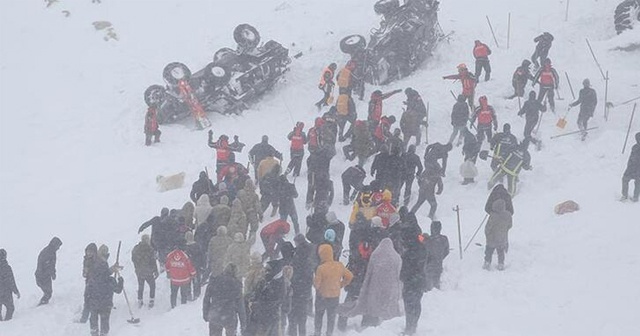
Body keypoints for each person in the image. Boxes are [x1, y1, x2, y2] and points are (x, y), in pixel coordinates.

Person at [344, 238, 402, 328]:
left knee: (371, 306)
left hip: (370, 286)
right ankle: (383, 327)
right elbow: (397, 275)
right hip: (387, 288)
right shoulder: (395, 257)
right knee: (385, 306)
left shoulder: (375, 255)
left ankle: (366, 324)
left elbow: (367, 273)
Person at [314, 245, 353, 336]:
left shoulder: (321, 268)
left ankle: (317, 333)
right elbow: (350, 276)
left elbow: (317, 285)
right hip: (334, 297)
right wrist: (340, 285)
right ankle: (329, 333)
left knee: (319, 316)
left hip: (322, 297)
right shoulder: (339, 265)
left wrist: (314, 281)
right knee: (331, 318)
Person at [85, 250, 123, 336]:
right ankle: (104, 333)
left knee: (93, 320)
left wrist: (88, 302)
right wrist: (121, 281)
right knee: (104, 321)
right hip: (106, 305)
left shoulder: (93, 280)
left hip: (94, 303)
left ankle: (94, 332)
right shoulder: (110, 280)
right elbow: (118, 290)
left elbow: (88, 292)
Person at [203, 263, 247, 336]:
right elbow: (240, 306)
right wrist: (243, 323)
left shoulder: (214, 281)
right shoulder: (236, 284)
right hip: (230, 317)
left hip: (215, 314)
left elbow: (206, 299)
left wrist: (205, 313)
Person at [399, 230, 427, 335]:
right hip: (419, 280)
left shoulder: (408, 253)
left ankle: (409, 326)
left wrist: (402, 277)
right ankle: (413, 325)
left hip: (410, 282)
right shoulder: (422, 249)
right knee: (416, 303)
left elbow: (405, 268)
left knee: (409, 305)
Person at [289, 234, 314, 336]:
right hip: (305, 291)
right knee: (302, 318)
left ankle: (292, 333)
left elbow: (294, 273)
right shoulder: (309, 252)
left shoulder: (298, 256)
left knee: (293, 318)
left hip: (296, 291)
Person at [483, 199, 513, 271]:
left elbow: (488, 227)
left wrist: (487, 233)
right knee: (500, 252)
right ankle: (501, 264)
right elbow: (510, 225)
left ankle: (487, 262)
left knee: (489, 251)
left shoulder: (493, 216)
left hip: (492, 238)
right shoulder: (508, 215)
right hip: (502, 238)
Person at [131, 234, 158, 308]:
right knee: (152, 285)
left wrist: (137, 267)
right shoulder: (150, 249)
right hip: (148, 271)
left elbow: (133, 259)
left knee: (141, 286)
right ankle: (151, 300)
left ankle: (140, 300)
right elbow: (153, 261)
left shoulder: (136, 248)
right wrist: (155, 271)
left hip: (139, 271)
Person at [35, 237, 62, 305]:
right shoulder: (46, 253)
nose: (58, 248)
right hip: (42, 276)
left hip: (47, 275)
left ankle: (43, 304)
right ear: (54, 244)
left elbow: (52, 265)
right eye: (58, 246)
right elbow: (40, 266)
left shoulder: (52, 252)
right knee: (48, 292)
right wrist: (40, 277)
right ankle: (42, 306)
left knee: (48, 292)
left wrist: (53, 273)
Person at [425, 221, 449, 290]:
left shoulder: (428, 239)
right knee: (436, 283)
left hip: (428, 265)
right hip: (438, 264)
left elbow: (422, 248)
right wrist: (440, 257)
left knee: (428, 286)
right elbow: (446, 252)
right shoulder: (444, 239)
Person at [0, 249, 20, 321]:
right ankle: (8, 323)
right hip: (6, 293)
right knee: (10, 308)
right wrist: (16, 291)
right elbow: (11, 281)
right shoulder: (7, 268)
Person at [185, 232, 206, 300]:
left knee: (187, 281)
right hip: (196, 266)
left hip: (187, 268)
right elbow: (202, 256)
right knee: (196, 280)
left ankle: (188, 294)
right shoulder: (197, 246)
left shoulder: (184, 247)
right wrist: (203, 265)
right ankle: (196, 294)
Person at [622, 132, 640, 202]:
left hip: (636, 168)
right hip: (631, 167)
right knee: (625, 179)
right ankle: (626, 195)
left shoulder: (635, 147)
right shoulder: (634, 147)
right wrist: (629, 165)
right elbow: (631, 158)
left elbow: (633, 158)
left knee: (637, 182)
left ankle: (632, 196)